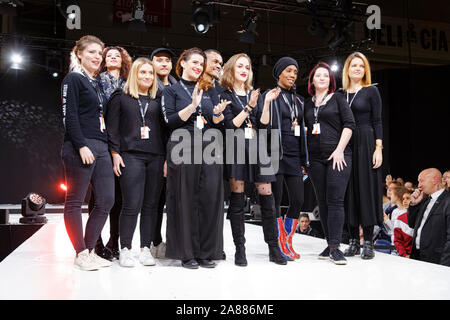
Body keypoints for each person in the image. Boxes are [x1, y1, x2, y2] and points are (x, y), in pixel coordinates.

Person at [161, 47, 228, 269]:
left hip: (209, 147)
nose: (198, 67)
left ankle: (206, 252)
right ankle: (186, 253)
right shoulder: (171, 91)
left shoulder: (209, 89)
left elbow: (216, 121)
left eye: (201, 64)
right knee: (185, 200)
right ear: (183, 64)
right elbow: (169, 121)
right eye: (195, 63)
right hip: (183, 146)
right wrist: (192, 107)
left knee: (210, 199)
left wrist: (217, 115)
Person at [220, 53, 287, 266]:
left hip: (257, 146)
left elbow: (263, 124)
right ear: (231, 69)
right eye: (240, 66)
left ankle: (273, 247)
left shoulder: (253, 92)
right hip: (236, 145)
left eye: (247, 67)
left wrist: (265, 103)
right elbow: (231, 126)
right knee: (237, 198)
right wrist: (249, 106)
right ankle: (240, 249)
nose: (244, 70)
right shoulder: (225, 93)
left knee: (268, 197)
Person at [61, 35, 114, 271]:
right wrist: (81, 144)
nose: (97, 57)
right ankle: (80, 252)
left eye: (99, 53)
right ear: (79, 53)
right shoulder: (73, 78)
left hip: (101, 145)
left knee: (106, 199)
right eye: (91, 52)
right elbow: (69, 115)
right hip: (80, 145)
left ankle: (90, 249)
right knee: (75, 200)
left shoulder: (95, 82)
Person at [106, 57, 166, 267]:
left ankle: (145, 249)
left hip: (156, 157)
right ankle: (125, 249)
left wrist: (166, 158)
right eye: (143, 72)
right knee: (131, 204)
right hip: (130, 155)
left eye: (151, 73)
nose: (148, 77)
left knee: (150, 205)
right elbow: (112, 128)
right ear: (134, 74)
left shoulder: (159, 98)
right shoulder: (120, 97)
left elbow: (165, 130)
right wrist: (115, 153)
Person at [304, 62, 355, 265]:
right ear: (312, 80)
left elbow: (350, 125)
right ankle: (330, 243)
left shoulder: (338, 99)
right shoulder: (307, 104)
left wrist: (340, 150)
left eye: (326, 75)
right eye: (318, 75)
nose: (322, 78)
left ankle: (335, 247)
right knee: (322, 202)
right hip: (315, 159)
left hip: (338, 155)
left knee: (335, 200)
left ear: (330, 80)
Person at [89, 46, 132, 260]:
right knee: (99, 196)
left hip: (123, 142)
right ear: (104, 60)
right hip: (100, 140)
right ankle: (94, 243)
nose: (113, 58)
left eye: (117, 55)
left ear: (123, 60)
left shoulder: (128, 83)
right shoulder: (96, 82)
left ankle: (114, 241)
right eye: (109, 56)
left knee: (119, 197)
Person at [341, 52, 383, 260]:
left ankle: (368, 242)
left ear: (365, 69)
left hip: (366, 143)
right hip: (346, 145)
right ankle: (352, 241)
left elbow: (377, 121)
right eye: (354, 65)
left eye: (361, 65)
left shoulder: (371, 91)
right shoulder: (340, 94)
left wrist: (378, 148)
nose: (357, 68)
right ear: (347, 69)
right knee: (349, 193)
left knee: (366, 191)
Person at [266, 57, 308, 260]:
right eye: (289, 71)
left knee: (298, 199)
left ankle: (288, 238)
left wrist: (304, 157)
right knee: (275, 200)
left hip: (294, 156)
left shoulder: (299, 101)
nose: (292, 75)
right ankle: (279, 242)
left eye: (295, 72)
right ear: (279, 73)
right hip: (275, 155)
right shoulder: (271, 96)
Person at [149, 47, 177, 259]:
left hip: (177, 148)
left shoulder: (177, 86)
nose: (164, 63)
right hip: (156, 149)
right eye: (159, 60)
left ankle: (171, 241)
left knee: (174, 200)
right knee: (155, 200)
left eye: (167, 60)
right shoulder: (149, 85)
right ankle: (154, 240)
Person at [408, 168, 450, 266]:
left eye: (421, 181)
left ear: (434, 180)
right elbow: (412, 224)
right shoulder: (424, 200)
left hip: (436, 261)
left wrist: (444, 265)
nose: (419, 186)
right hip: (417, 257)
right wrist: (414, 205)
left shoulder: (448, 201)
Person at [393, 189, 413, 258]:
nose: (404, 201)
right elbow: (397, 241)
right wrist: (404, 255)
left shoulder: (422, 217)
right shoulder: (399, 218)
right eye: (403, 199)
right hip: (405, 256)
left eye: (408, 198)